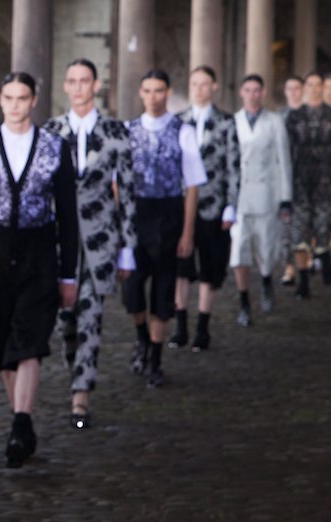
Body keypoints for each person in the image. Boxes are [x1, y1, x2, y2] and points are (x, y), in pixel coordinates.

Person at [0, 71, 78, 466]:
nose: (15, 105)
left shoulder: (55, 146)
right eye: (9, 97)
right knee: (5, 343)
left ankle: (20, 423)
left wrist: (68, 274)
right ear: (1, 100)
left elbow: (68, 215)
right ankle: (22, 421)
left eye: (22, 98)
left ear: (34, 100)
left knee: (30, 339)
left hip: (40, 251)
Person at [44, 58, 137, 429]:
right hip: (58, 240)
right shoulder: (50, 132)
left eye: (85, 80)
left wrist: (127, 248)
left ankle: (81, 393)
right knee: (65, 318)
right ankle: (76, 371)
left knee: (91, 313)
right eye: (73, 80)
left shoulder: (116, 131)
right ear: (65, 86)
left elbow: (127, 191)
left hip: (101, 238)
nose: (79, 86)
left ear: (95, 85)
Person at [123, 69, 206, 388]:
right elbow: (118, 182)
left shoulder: (183, 131)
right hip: (136, 216)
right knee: (132, 291)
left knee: (163, 289)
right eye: (147, 90)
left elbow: (193, 186)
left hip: (169, 216)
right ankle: (142, 337)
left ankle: (155, 360)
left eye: (159, 90)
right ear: (140, 93)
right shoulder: (128, 130)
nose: (153, 97)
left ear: (168, 92)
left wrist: (187, 232)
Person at [169, 66, 239, 348]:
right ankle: (180, 326)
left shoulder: (226, 122)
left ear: (214, 87)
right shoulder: (177, 121)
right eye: (195, 84)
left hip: (214, 204)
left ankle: (203, 327)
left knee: (210, 266)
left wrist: (231, 205)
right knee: (181, 267)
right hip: (182, 205)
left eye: (204, 84)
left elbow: (233, 166)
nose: (199, 89)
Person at [285, 72, 331, 299]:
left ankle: (324, 256)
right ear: (305, 88)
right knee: (299, 234)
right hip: (299, 184)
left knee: (323, 228)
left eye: (318, 85)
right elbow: (286, 153)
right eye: (310, 85)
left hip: (326, 182)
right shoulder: (295, 117)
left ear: (323, 88)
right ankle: (303, 280)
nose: (314, 89)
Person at [231, 74, 292, 320]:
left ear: (263, 93)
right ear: (241, 92)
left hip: (267, 193)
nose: (252, 95)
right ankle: (244, 301)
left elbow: (283, 160)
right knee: (239, 250)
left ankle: (266, 280)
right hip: (239, 196)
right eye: (248, 90)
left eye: (256, 90)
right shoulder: (234, 121)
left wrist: (285, 197)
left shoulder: (274, 121)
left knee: (266, 247)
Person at [279, 74, 305, 287]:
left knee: (304, 225)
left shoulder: (309, 116)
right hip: (285, 179)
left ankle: (305, 261)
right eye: (290, 88)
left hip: (307, 178)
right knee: (285, 227)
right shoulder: (279, 118)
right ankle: (289, 267)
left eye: (297, 88)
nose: (294, 92)